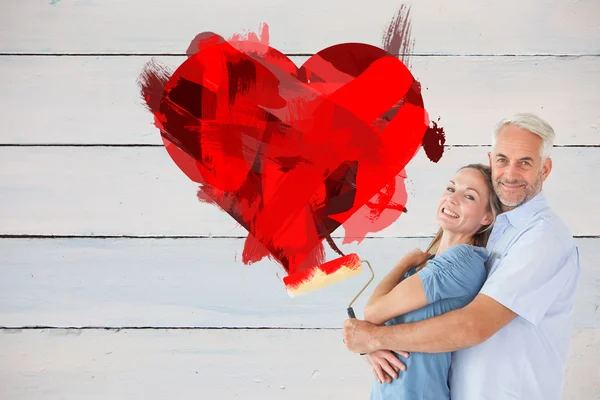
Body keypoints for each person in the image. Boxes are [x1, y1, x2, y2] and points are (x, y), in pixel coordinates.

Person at [342, 113, 581, 400]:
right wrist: (372, 345)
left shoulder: (543, 238)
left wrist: (373, 338)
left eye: (526, 162)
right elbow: (421, 316)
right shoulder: (493, 231)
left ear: (545, 169)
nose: (511, 173)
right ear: (492, 161)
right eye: (503, 160)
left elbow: (473, 325)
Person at [364, 163, 502, 400]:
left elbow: (373, 313)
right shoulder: (426, 264)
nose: (453, 198)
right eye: (451, 188)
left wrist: (401, 265)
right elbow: (376, 326)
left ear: (487, 217)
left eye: (469, 196)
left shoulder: (462, 261)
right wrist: (370, 344)